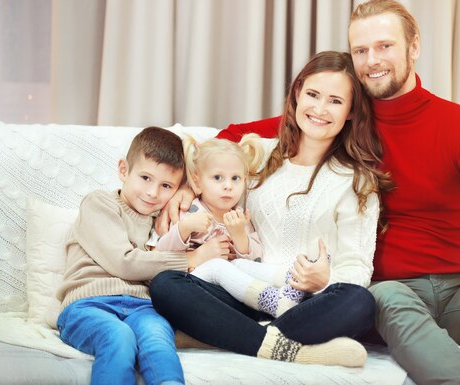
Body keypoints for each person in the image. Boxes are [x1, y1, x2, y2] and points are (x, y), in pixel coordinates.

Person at [165, 0, 460, 384]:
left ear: (413, 47)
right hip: (385, 292)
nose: (372, 61)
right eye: (361, 51)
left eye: (384, 46)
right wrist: (187, 185)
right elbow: (234, 136)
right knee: (380, 297)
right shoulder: (344, 117)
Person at [150, 50, 393, 368]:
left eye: (335, 101)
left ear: (350, 111)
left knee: (360, 302)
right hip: (241, 293)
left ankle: (225, 334)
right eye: (313, 95)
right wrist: (187, 185)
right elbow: (211, 165)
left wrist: (323, 279)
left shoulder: (355, 182)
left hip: (303, 304)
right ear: (297, 94)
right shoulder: (260, 155)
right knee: (166, 284)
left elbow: (357, 271)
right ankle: (283, 346)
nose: (320, 109)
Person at [56, 127, 217, 385]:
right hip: (87, 305)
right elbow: (123, 262)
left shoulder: (163, 224)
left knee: (158, 338)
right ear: (123, 170)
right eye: (145, 178)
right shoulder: (99, 204)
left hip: (142, 307)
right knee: (119, 336)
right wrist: (190, 258)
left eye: (166, 185)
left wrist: (187, 194)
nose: (153, 193)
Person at [152, 135, 305, 317]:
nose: (228, 186)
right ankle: (271, 301)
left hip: (229, 292)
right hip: (190, 285)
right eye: (217, 177)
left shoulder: (238, 217)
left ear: (245, 180)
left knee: (239, 264)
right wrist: (184, 228)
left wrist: (239, 234)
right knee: (217, 265)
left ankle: (293, 280)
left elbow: (255, 260)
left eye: (235, 178)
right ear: (198, 182)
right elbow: (160, 253)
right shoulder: (189, 211)